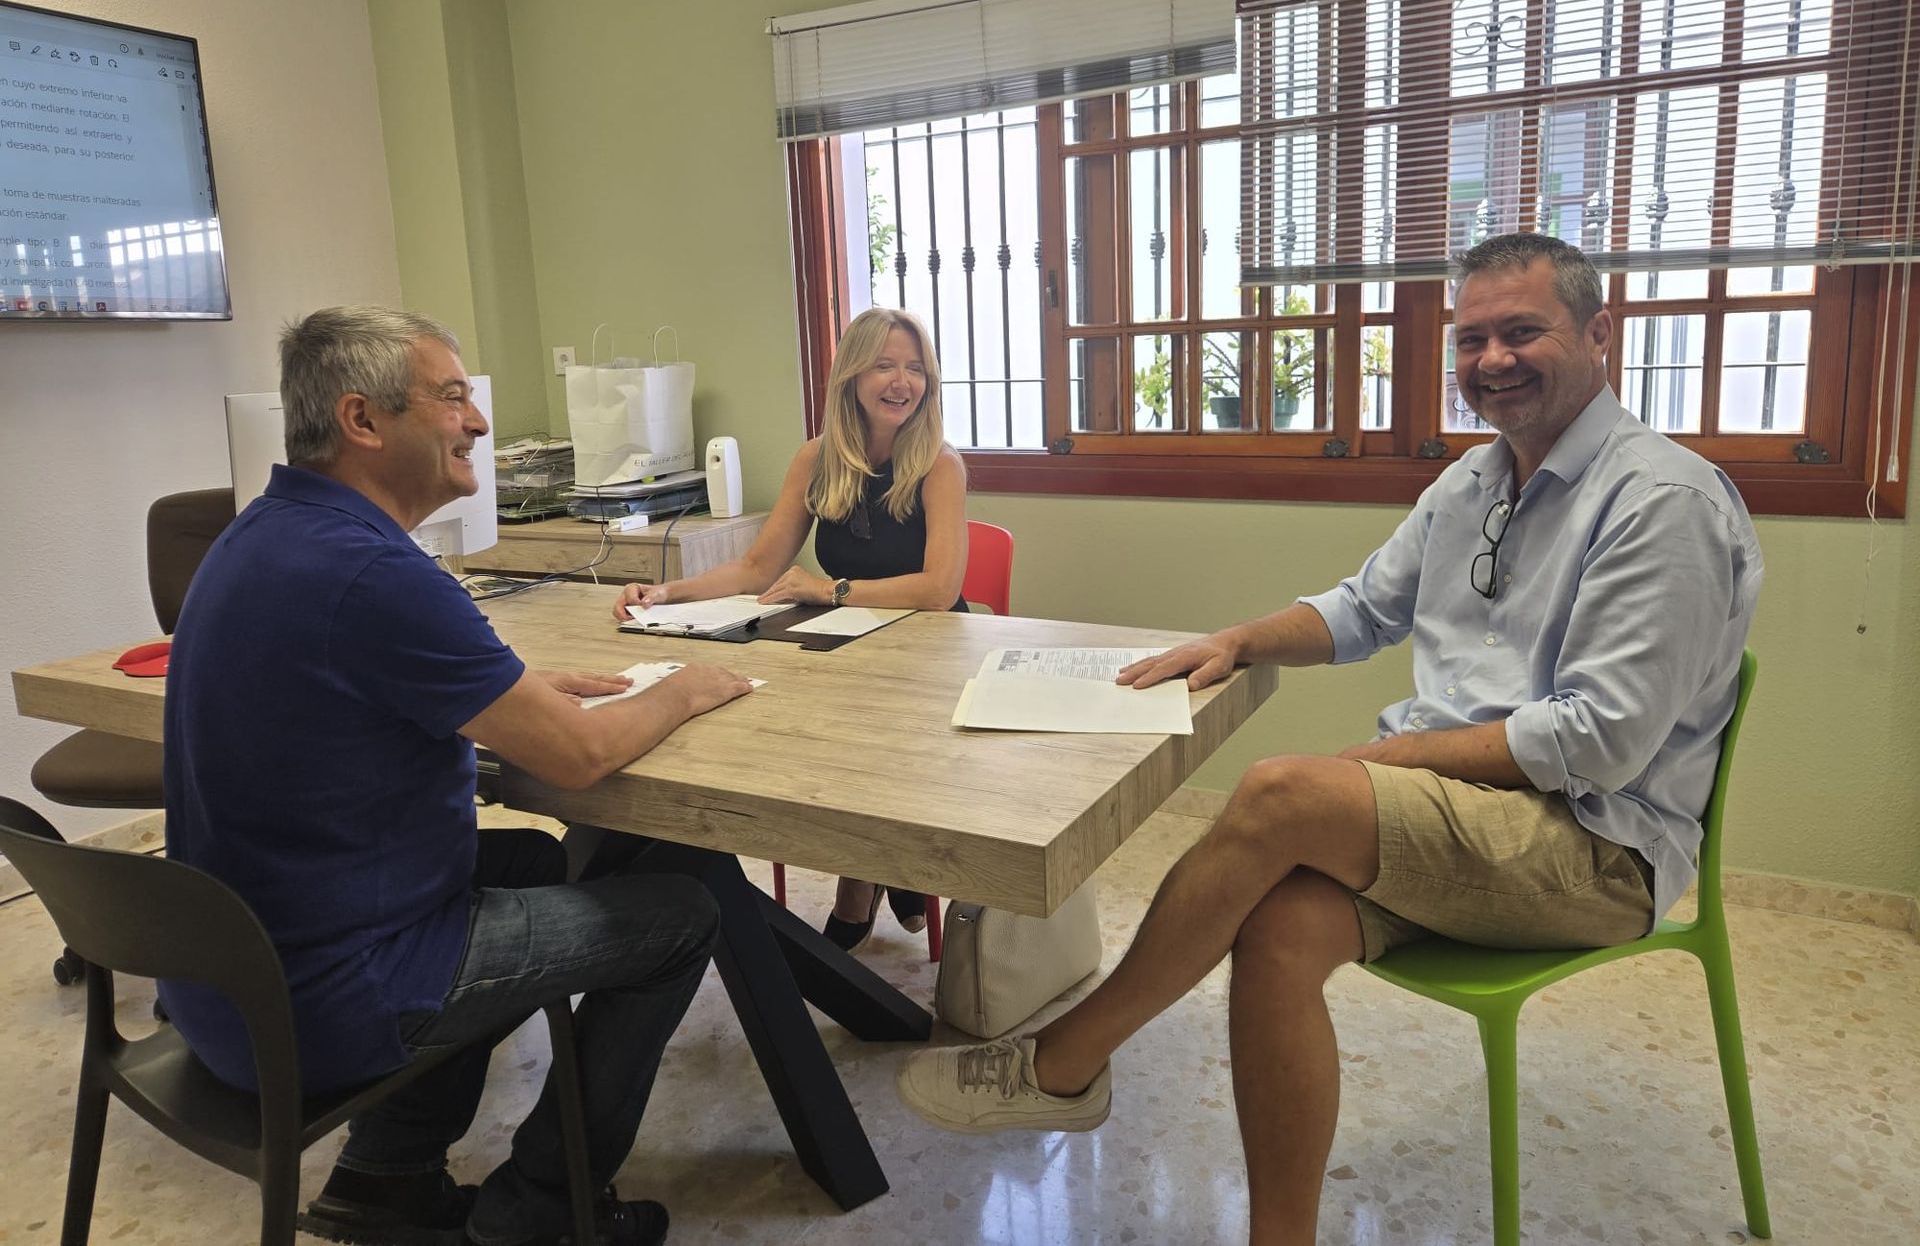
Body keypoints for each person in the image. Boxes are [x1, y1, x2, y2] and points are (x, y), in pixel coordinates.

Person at [895, 234, 1763, 1246]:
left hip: (1594, 848)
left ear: (1599, 335)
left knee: (1284, 795)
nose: (1492, 361)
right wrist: (1233, 640)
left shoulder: (1662, 500)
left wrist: (1375, 765)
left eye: (1522, 331)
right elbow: (1362, 609)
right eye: (1472, 337)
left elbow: (1599, 742)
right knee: (1278, 929)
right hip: (1466, 824)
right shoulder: (1477, 483)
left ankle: (1063, 1064)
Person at [160, 305, 754, 1246]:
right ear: (363, 420)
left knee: (526, 864)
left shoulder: (262, 534)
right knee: (684, 915)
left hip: (225, 974)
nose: (479, 421)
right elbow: (581, 757)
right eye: (451, 397)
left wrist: (508, 690)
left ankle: (385, 1180)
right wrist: (684, 687)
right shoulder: (373, 572)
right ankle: (542, 1212)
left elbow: (347, 695)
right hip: (324, 995)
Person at [609, 306, 967, 949]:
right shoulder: (816, 459)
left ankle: (858, 888)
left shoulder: (940, 464)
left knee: (870, 747)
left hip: (926, 654)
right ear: (851, 378)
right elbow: (756, 566)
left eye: (915, 369)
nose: (900, 382)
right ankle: (890, 870)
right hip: (846, 646)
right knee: (803, 738)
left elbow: (940, 590)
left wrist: (829, 589)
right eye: (884, 365)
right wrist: (662, 593)